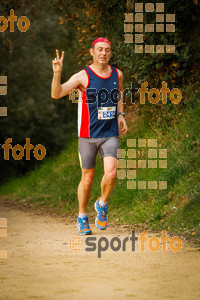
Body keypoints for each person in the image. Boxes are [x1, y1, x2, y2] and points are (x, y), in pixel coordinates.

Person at [51, 37, 127, 235]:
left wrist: (121, 115)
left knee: (111, 173)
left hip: (110, 133)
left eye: (107, 50)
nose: (103, 53)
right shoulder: (82, 76)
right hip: (87, 135)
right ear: (92, 52)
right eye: (100, 49)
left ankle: (101, 204)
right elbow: (56, 93)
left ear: (111, 53)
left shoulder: (117, 74)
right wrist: (57, 73)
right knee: (88, 178)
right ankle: (82, 216)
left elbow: (119, 93)